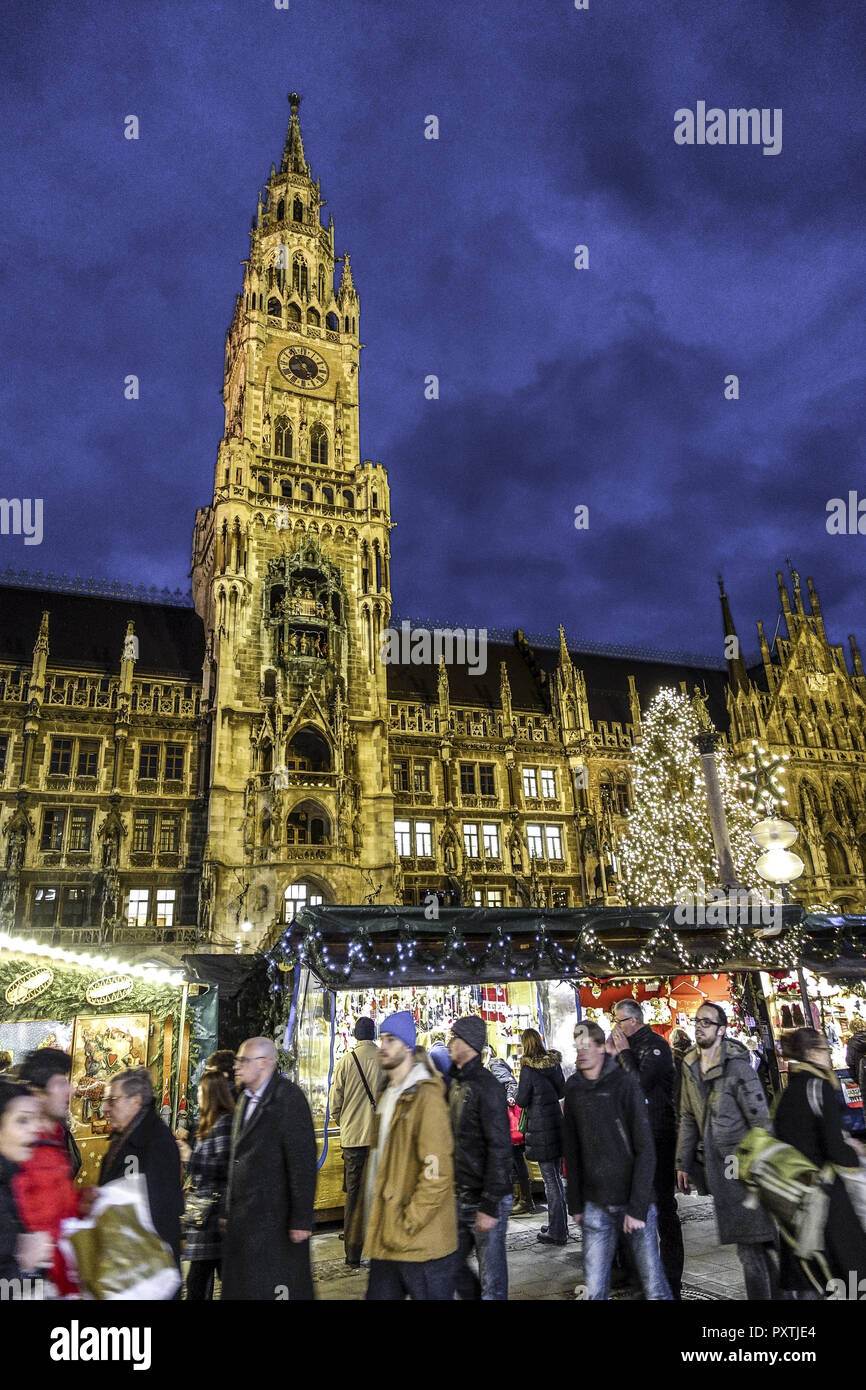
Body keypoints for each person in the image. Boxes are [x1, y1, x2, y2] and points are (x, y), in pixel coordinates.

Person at [676, 1002, 778, 1300]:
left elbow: (760, 1120)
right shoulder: (690, 1065)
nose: (699, 1026)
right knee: (752, 1245)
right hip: (718, 1169)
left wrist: (765, 1167)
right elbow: (686, 1115)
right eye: (697, 1021)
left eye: (707, 1022)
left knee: (751, 1246)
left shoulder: (738, 1068)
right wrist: (683, 1162)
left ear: (721, 1030)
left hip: (744, 1166)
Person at [563, 1021, 671, 1300]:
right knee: (595, 1287)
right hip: (596, 1203)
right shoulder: (574, 1089)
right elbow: (572, 1150)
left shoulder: (624, 1084)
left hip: (634, 1199)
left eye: (587, 1046)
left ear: (602, 1049)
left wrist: (637, 1207)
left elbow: (645, 1148)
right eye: (578, 1047)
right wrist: (575, 1203)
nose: (581, 1053)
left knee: (653, 1284)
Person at [362, 1012, 457, 1300]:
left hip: (420, 1242)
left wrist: (408, 1222)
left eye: (390, 1040)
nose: (383, 1047)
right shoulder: (387, 1094)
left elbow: (436, 1173)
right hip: (387, 1236)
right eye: (382, 1039)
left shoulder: (425, 1098)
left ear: (407, 1046)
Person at [222, 1037, 317, 1301]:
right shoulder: (244, 1100)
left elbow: (302, 1160)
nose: (237, 1066)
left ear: (264, 1063)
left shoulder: (288, 1098)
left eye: (243, 1060)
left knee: (278, 1285)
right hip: (247, 1218)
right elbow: (237, 1158)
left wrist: (301, 1218)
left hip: (275, 1219)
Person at [774, 1027, 866, 1296]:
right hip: (825, 1196)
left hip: (794, 1194)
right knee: (845, 1267)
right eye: (826, 1050)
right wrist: (857, 1150)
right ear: (813, 1053)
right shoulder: (819, 1086)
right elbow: (834, 1148)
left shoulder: (786, 1094)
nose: (828, 1056)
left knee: (808, 1271)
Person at [609, 1000, 684, 1299]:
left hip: (658, 1138)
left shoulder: (656, 1046)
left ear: (634, 1021)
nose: (615, 1026)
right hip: (634, 1140)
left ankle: (671, 1282)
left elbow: (638, 1085)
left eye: (620, 1020)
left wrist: (624, 1053)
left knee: (664, 1210)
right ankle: (643, 1280)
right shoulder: (624, 1048)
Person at [448, 1015, 513, 1300]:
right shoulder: (456, 1083)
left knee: (492, 1279)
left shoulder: (486, 1087)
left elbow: (499, 1147)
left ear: (469, 1044)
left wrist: (489, 1204)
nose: (450, 1043)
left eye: (455, 1038)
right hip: (460, 1194)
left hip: (485, 1198)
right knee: (450, 1264)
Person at [99, 1067, 185, 1267]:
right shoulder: (124, 1135)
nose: (105, 1108)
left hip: (148, 1263)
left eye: (112, 1100)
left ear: (135, 1101)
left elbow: (158, 1209)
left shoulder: (156, 1143)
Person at [13, 1048, 82, 1297]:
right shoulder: (19, 1147)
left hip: (62, 1281)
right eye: (61, 1083)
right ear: (38, 1093)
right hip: (32, 1283)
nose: (70, 1090)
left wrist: (85, 1201)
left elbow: (59, 1206)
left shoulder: (55, 1137)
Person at [328, 1017, 384, 1268]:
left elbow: (335, 1099)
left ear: (354, 1034)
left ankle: (352, 1253)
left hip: (351, 1139)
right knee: (377, 1192)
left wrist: (341, 1119)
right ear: (374, 1034)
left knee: (353, 1194)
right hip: (377, 1138)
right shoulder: (384, 1059)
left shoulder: (346, 1061)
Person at [178, 1070, 235, 1300]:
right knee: (203, 1279)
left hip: (214, 1214)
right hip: (204, 1217)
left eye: (201, 1092)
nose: (198, 1096)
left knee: (198, 1281)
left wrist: (192, 1157)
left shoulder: (223, 1124)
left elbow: (224, 1166)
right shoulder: (207, 1124)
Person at [515, 1028, 567, 1245]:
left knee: (551, 1181)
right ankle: (558, 1224)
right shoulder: (553, 1064)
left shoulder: (528, 1068)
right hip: (555, 1123)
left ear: (525, 1044)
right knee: (555, 1177)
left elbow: (522, 1099)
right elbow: (562, 1091)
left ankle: (557, 1231)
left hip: (540, 1127)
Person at [0, 1082, 52, 1288]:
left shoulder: (10, 1177)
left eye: (35, 1119)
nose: (35, 1129)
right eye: (22, 1120)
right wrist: (24, 1264)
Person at [487, 1047, 536, 1216]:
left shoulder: (494, 1065)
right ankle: (518, 1198)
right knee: (513, 1160)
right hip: (502, 1121)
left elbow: (510, 1084)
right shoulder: (492, 1065)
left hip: (507, 1121)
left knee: (516, 1159)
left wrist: (510, 1097)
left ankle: (525, 1200)